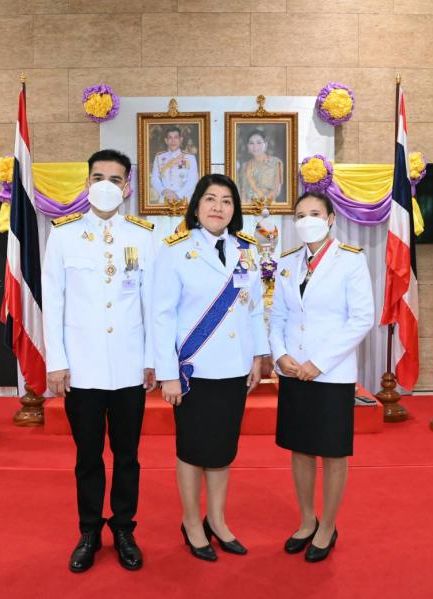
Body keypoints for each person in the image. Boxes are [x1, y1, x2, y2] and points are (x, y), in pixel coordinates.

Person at [42, 149, 158, 574]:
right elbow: (53, 303)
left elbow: (151, 304)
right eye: (98, 177)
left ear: (127, 187)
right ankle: (89, 531)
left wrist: (151, 359)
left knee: (127, 456)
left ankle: (124, 529)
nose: (106, 185)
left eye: (115, 178)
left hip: (129, 367)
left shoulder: (143, 236)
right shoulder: (64, 235)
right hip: (83, 368)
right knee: (88, 457)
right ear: (86, 183)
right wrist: (57, 361)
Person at [153, 173, 269, 562]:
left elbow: (254, 308)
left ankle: (216, 520)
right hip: (194, 371)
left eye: (226, 201)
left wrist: (258, 356)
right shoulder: (175, 250)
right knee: (191, 450)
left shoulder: (246, 250)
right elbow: (162, 315)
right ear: (197, 205)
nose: (218, 207)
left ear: (234, 210)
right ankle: (191, 522)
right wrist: (168, 373)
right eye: (210, 199)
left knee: (222, 449)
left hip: (234, 368)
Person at [269, 191, 375, 563]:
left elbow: (361, 318)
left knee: (332, 452)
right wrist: (280, 355)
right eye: (300, 215)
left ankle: (327, 525)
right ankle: (306, 520)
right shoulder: (287, 262)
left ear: (330, 219)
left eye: (314, 213)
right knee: (300, 448)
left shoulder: (350, 260)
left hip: (331, 373)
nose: (307, 221)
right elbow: (278, 316)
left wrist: (319, 362)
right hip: (293, 371)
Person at [151, 125, 199, 204]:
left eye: (176, 137)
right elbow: (154, 179)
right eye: (170, 138)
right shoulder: (159, 158)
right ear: (166, 140)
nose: (173, 141)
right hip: (164, 200)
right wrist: (163, 191)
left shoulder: (190, 158)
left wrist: (177, 195)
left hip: (183, 200)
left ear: (181, 140)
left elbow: (193, 180)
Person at [238, 129, 284, 202]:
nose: (255, 146)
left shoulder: (275, 162)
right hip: (248, 205)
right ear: (248, 146)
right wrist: (244, 207)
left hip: (269, 205)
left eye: (259, 143)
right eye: (251, 143)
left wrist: (262, 204)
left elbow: (276, 190)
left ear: (265, 144)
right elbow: (243, 191)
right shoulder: (245, 166)